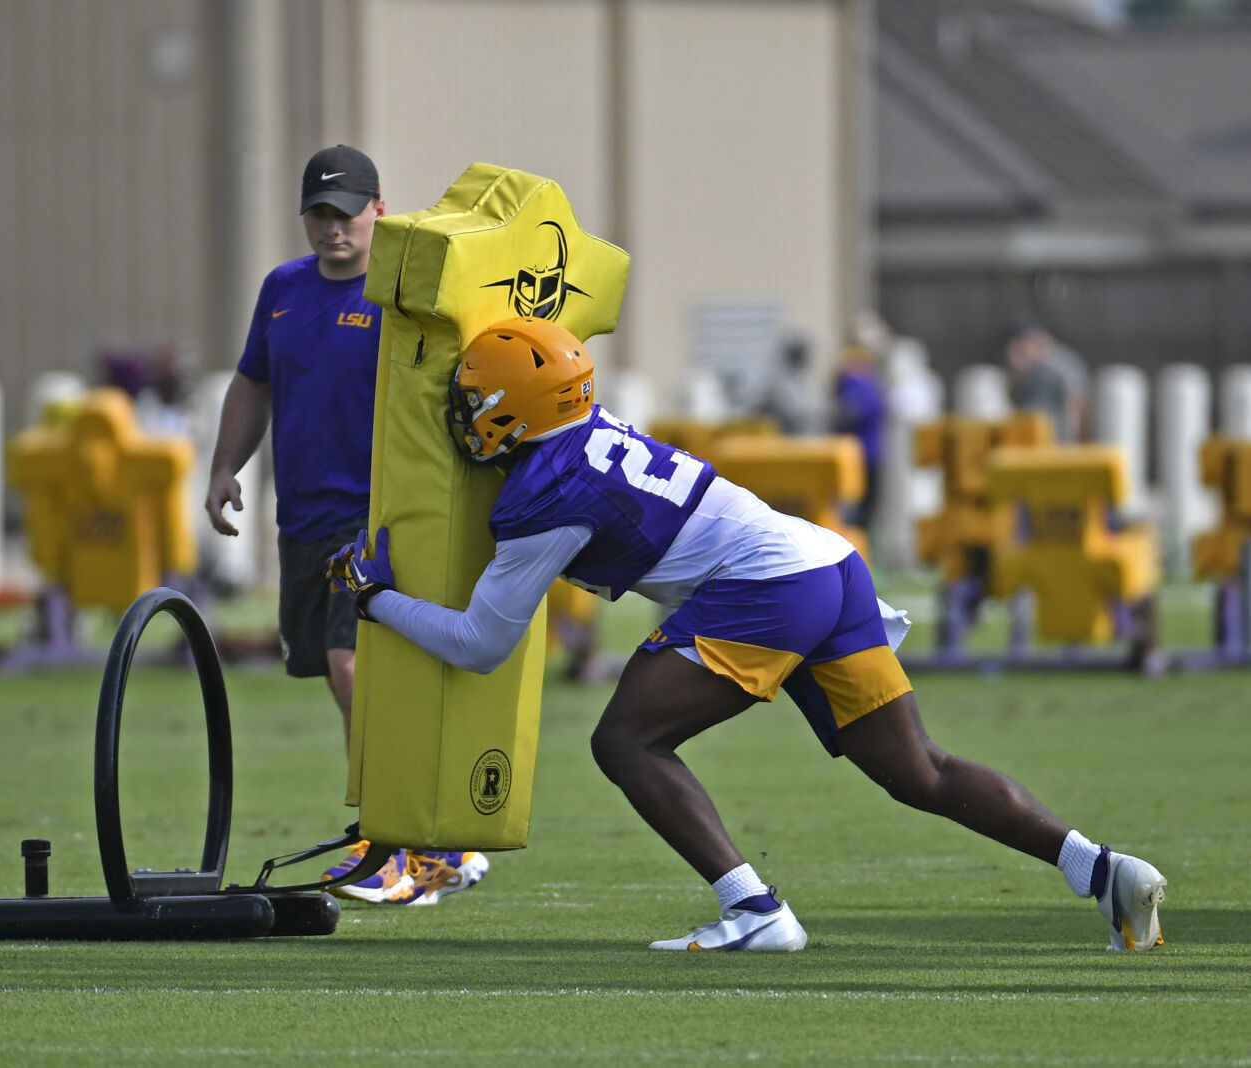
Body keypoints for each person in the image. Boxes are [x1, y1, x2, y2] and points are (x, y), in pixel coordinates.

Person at [328, 315, 1167, 951]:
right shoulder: (586, 427)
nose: (461, 410)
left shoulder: (549, 490)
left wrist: (375, 600)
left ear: (517, 404)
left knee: (627, 741)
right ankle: (1101, 870)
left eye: (475, 396)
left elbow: (481, 643)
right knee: (920, 771)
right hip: (826, 563)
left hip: (768, 586)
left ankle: (753, 909)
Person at [203, 145, 488, 907]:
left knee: (351, 668)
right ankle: (439, 843)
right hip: (301, 518)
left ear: (379, 209)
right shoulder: (282, 291)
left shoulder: (404, 293)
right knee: (341, 679)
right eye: (320, 213)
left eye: (347, 211)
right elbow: (252, 381)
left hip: (377, 519)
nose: (334, 227)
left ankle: (396, 846)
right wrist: (225, 464)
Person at [1005, 318, 1088, 443]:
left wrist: (1076, 440)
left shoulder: (1063, 363)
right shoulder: (1021, 365)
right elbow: (1009, 400)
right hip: (1026, 436)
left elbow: (1076, 405)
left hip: (1057, 436)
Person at [833, 344, 887, 529]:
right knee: (859, 505)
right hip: (860, 453)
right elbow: (854, 412)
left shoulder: (864, 382)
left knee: (868, 505)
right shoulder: (853, 383)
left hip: (868, 451)